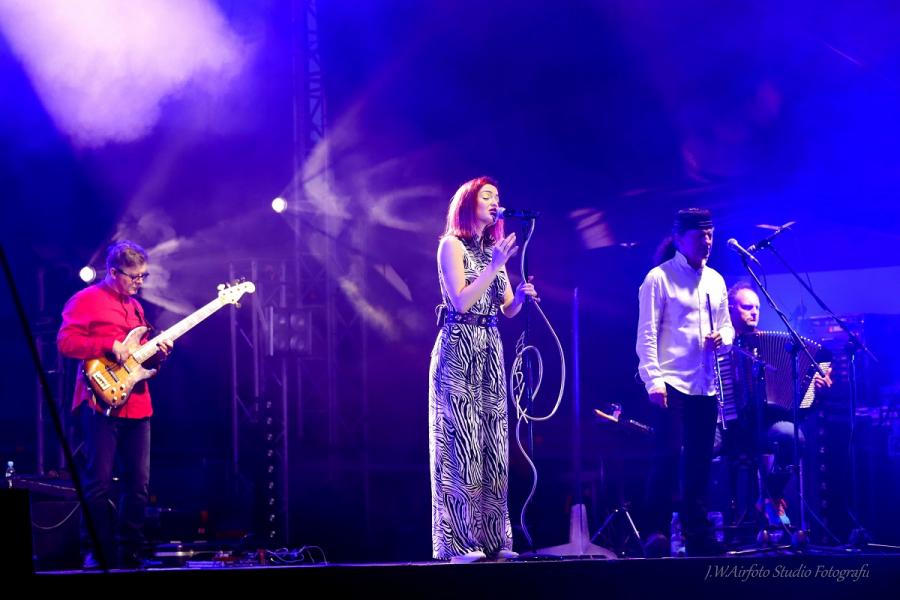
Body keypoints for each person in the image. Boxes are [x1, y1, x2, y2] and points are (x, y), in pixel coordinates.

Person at [428, 176, 538, 563]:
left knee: (492, 445)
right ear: (468, 204)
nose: (495, 202)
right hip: (460, 346)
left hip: (490, 347)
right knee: (461, 446)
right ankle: (459, 544)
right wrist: (494, 267)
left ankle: (493, 540)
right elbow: (460, 301)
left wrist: (519, 296)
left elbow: (506, 309)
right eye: (487, 196)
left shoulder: (493, 250)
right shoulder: (451, 245)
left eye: (498, 197)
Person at [57, 240, 172, 569]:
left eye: (143, 276)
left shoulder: (136, 308)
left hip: (138, 404)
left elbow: (140, 359)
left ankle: (130, 551)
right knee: (99, 482)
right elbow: (66, 342)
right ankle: (97, 551)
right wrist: (108, 344)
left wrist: (159, 354)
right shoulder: (86, 300)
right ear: (112, 272)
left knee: (139, 484)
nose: (139, 282)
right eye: (134, 277)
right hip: (99, 402)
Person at [636, 208, 734, 556]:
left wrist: (723, 337)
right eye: (699, 236)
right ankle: (655, 532)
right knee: (666, 459)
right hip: (671, 382)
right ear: (679, 239)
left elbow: (728, 326)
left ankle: (698, 535)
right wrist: (653, 379)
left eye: (710, 235)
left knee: (699, 463)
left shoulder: (716, 280)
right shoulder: (658, 278)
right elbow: (647, 333)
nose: (707, 241)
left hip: (705, 384)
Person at [722, 280, 832, 527]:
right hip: (730, 425)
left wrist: (816, 389)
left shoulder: (767, 344)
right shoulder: (723, 343)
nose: (754, 312)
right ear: (730, 309)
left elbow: (797, 406)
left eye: (757, 308)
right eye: (747, 307)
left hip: (764, 426)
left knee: (793, 436)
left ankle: (770, 496)